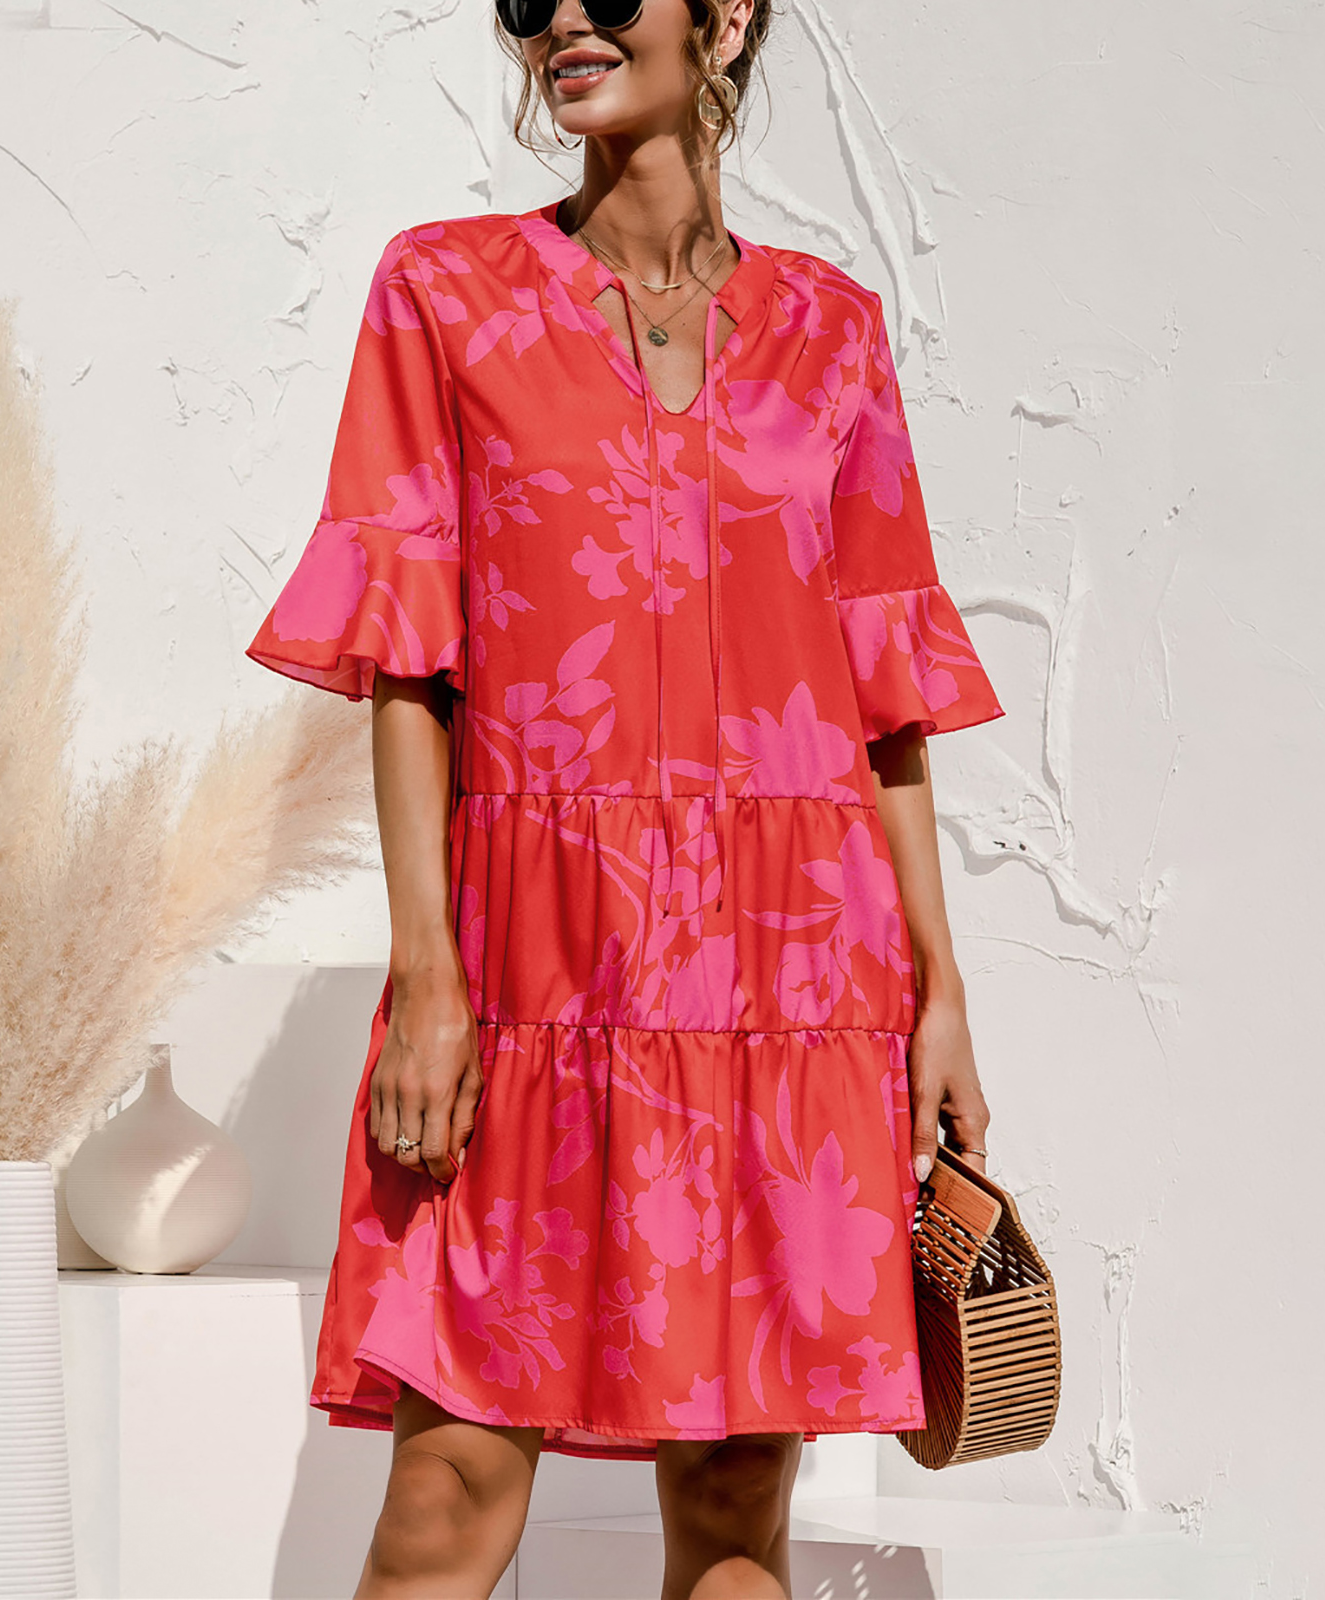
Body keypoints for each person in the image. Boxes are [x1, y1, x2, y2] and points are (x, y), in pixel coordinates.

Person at [244, 2, 1004, 1594]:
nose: (563, 23)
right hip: (535, 969)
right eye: (529, 0)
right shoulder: (445, 292)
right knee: (448, 1491)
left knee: (735, 1498)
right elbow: (409, 664)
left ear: (726, 17)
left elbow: (885, 695)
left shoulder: (834, 331)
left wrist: (940, 992)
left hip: (791, 982)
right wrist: (431, 977)